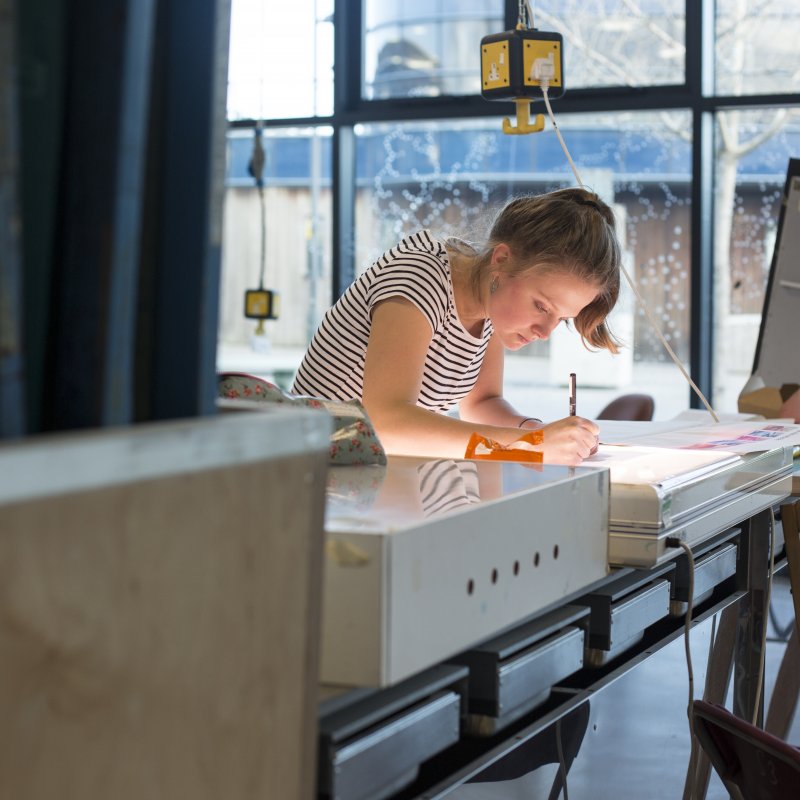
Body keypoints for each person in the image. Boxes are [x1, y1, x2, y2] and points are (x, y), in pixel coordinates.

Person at [292, 187, 622, 466]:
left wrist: (538, 432)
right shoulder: (419, 279)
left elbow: (482, 405)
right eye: (541, 306)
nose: (544, 331)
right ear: (502, 260)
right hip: (311, 468)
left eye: (561, 318)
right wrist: (528, 446)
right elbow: (385, 422)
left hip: (368, 469)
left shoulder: (491, 304)